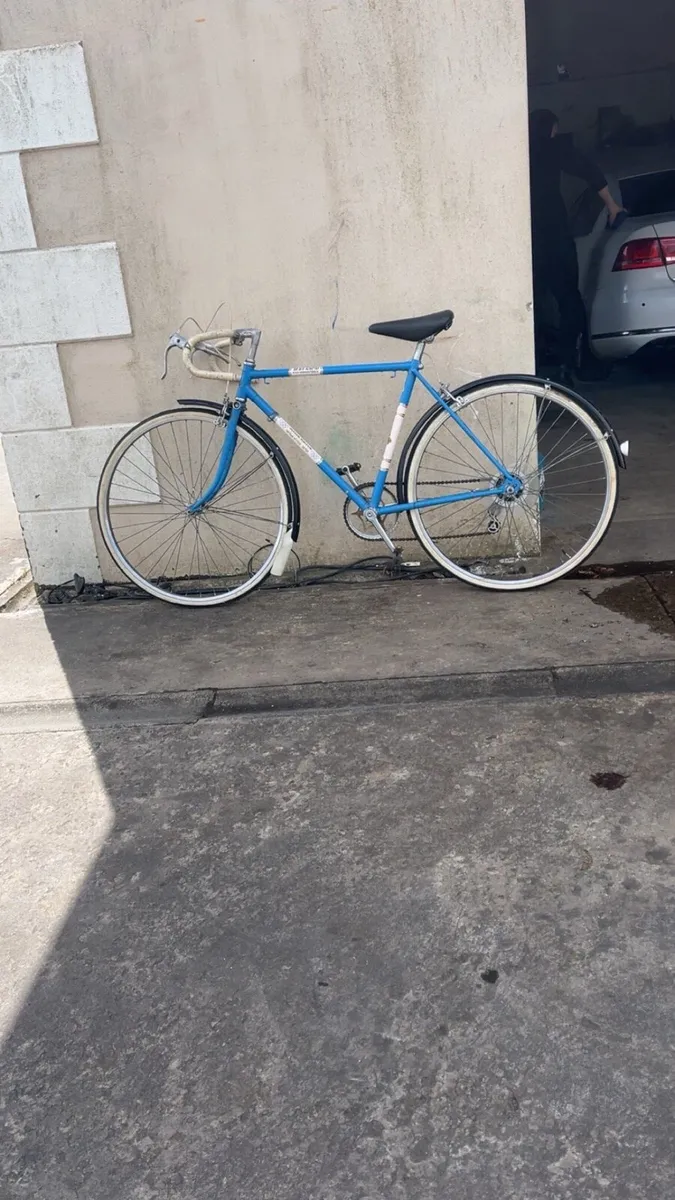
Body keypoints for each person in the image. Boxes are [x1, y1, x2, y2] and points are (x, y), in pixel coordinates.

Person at [528, 109, 624, 381]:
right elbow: (588, 170)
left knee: (529, 303)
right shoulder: (552, 148)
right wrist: (613, 206)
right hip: (554, 236)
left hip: (525, 239)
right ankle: (569, 363)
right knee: (569, 299)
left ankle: (530, 365)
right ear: (552, 129)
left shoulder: (517, 149)